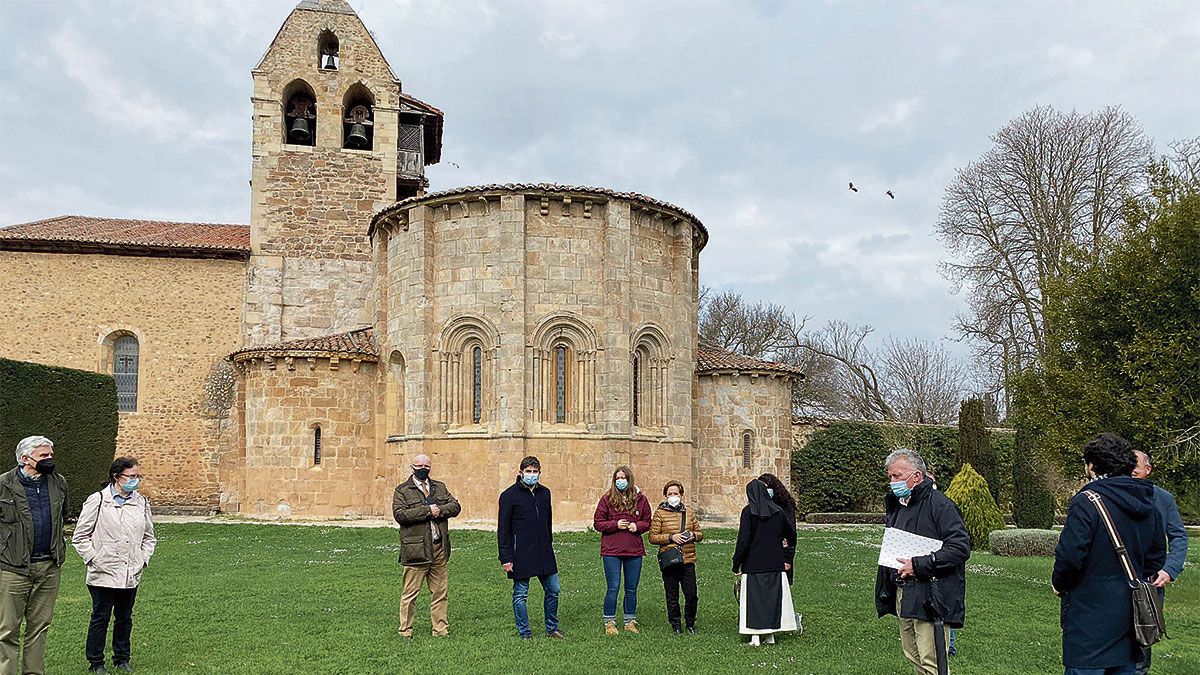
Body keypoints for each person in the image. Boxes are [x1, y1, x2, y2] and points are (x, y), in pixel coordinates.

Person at [1054, 434, 1165, 675]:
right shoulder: (1148, 502)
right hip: (1131, 615)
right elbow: (1156, 558)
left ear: (1092, 465)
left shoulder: (1087, 501)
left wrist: (1060, 583)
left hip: (1089, 614)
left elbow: (1071, 556)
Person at [874, 448, 970, 675]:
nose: (892, 482)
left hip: (931, 595)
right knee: (912, 653)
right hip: (903, 590)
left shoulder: (941, 505)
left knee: (932, 659)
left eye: (897, 476)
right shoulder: (900, 504)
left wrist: (918, 564)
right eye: (890, 476)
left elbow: (960, 547)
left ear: (916, 476)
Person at [71, 457, 156, 674]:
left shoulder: (142, 502)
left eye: (138, 476)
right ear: (117, 477)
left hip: (130, 571)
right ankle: (96, 662)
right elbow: (80, 536)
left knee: (124, 617)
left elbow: (149, 537)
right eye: (131, 476)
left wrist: (142, 558)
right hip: (103, 571)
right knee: (101, 617)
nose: (136, 481)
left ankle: (122, 658)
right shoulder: (98, 500)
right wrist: (94, 559)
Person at [0, 436, 69, 675]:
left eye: (50, 455)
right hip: (13, 568)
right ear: (25, 459)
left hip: (48, 567)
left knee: (39, 628)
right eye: (44, 456)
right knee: (7, 630)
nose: (50, 459)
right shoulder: (4, 484)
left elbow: (63, 516)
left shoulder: (58, 482)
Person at [1131, 450, 1188, 675]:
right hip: (1117, 579)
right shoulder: (1111, 496)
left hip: (1149, 582)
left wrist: (1170, 569)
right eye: (1128, 465)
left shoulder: (1162, 498)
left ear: (1148, 470)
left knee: (1142, 640)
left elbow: (1178, 536)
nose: (1133, 470)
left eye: (1137, 465)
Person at [392, 453, 461, 638]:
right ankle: (405, 630)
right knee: (410, 594)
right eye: (419, 465)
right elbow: (400, 515)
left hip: (439, 548)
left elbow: (455, 506)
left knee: (440, 592)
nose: (423, 468)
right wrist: (427, 511)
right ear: (412, 467)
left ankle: (440, 630)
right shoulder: (402, 490)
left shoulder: (439, 487)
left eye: (426, 465)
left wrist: (439, 511)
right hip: (416, 549)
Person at [498, 456, 564, 640]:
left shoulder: (545, 493)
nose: (532, 475)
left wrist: (549, 543)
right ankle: (524, 631)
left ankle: (552, 628)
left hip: (544, 551)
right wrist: (506, 557)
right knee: (521, 594)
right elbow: (503, 530)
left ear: (539, 473)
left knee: (553, 590)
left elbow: (548, 522)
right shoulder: (509, 496)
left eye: (535, 472)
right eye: (528, 471)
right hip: (521, 552)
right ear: (520, 473)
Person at [731, 479, 797, 646]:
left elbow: (743, 540)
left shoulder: (748, 512)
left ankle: (755, 637)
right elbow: (791, 535)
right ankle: (770, 636)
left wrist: (736, 562)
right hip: (775, 563)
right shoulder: (778, 512)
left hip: (753, 564)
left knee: (754, 601)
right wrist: (783, 547)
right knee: (771, 600)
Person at [593, 466, 651, 635]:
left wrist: (637, 526)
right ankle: (609, 622)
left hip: (634, 551)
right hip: (612, 551)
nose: (620, 481)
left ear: (629, 479)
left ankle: (630, 621)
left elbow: (647, 521)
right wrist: (615, 525)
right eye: (617, 478)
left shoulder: (641, 500)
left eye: (623, 477)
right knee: (613, 587)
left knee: (631, 588)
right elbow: (598, 523)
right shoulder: (607, 499)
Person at [648, 480, 703, 635]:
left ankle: (690, 623)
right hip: (670, 560)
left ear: (681, 495)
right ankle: (676, 624)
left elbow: (700, 534)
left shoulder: (689, 513)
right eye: (670, 494)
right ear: (665, 496)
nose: (673, 496)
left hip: (687, 559)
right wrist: (671, 537)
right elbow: (652, 537)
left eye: (676, 494)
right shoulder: (660, 513)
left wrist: (692, 535)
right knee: (672, 595)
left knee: (691, 595)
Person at [757, 473, 796, 585]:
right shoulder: (760, 506)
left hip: (781, 553)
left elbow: (791, 535)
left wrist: (788, 559)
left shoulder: (785, 506)